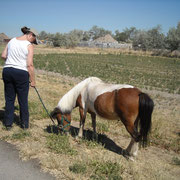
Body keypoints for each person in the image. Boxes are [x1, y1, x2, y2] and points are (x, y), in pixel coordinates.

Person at [1, 26, 39, 130]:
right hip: (21, 73)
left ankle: (8, 124)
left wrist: (11, 62)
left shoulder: (12, 40)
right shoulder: (29, 45)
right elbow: (30, 65)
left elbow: (3, 55)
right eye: (33, 39)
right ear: (30, 35)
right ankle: (24, 125)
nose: (33, 42)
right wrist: (33, 81)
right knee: (23, 100)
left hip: (7, 70)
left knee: (9, 98)